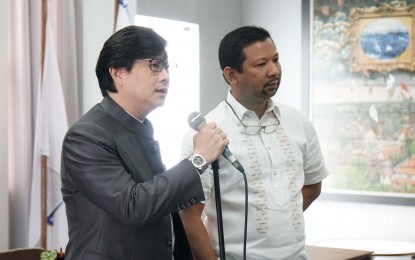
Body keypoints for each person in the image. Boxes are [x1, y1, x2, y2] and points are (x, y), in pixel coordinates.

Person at [60, 25, 229, 260]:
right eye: (155, 65)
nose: (166, 75)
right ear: (118, 73)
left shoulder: (140, 127)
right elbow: (133, 206)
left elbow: (160, 204)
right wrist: (198, 159)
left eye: (167, 66)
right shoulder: (87, 135)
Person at [180, 26, 329, 259]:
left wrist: (278, 218)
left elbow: (312, 185)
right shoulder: (206, 134)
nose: (274, 71)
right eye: (261, 65)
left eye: (276, 60)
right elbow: (190, 214)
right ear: (231, 75)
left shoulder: (298, 121)